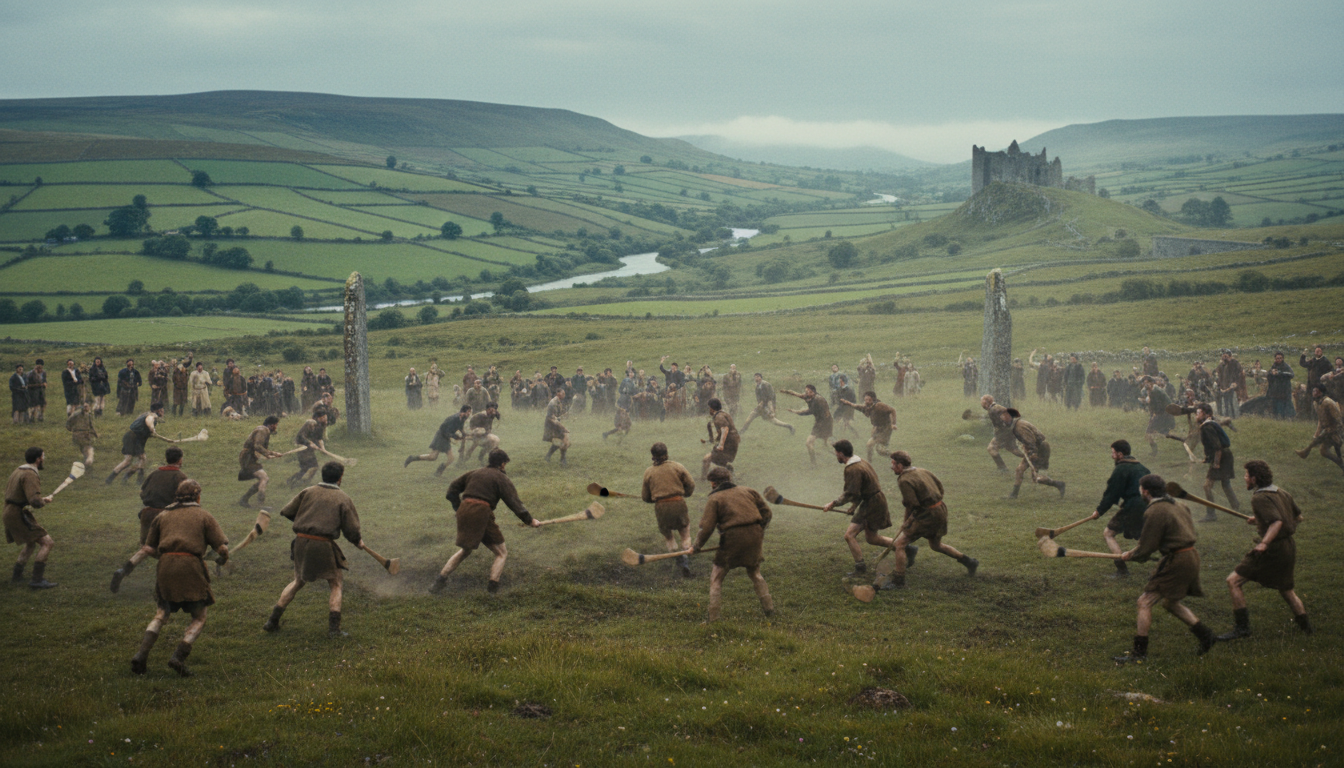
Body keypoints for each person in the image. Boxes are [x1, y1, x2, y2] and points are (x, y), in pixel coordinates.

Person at [128, 479, 228, 676]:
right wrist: (223, 557)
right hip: (191, 568)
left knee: (161, 614)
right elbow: (222, 548)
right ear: (197, 496)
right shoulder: (204, 515)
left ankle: (141, 655)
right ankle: (178, 657)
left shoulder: (162, 516)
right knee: (199, 616)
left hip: (165, 566)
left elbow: (149, 548)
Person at [1113, 474, 1217, 663]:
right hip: (1190, 556)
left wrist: (1132, 555)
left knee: (1144, 602)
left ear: (1145, 491)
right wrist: (1136, 552)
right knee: (1170, 602)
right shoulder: (1179, 505)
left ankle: (1139, 654)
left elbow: (1147, 546)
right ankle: (1206, 636)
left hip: (1177, 560)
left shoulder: (1155, 511)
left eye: (1140, 489)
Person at [262, 462, 363, 638]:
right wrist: (357, 541)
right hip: (322, 544)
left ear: (323, 475)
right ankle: (334, 630)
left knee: (297, 581)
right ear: (340, 477)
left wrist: (306, 522)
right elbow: (352, 529)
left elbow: (287, 511)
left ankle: (272, 621)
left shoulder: (308, 491)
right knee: (336, 583)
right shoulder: (343, 498)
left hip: (300, 541)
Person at [1216, 460, 1311, 642]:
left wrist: (1264, 543)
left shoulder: (1259, 498)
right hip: (1288, 547)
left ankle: (1242, 629)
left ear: (1254, 478)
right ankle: (1307, 630)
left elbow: (1277, 521)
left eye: (1246, 475)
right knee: (1286, 590)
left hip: (1272, 549)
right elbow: (1298, 517)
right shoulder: (1281, 492)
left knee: (1233, 581)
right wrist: (1260, 520)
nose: (1244, 478)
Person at [432, 449, 540, 594]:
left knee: (466, 550)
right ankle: (492, 591)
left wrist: (458, 508)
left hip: (464, 511)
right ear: (502, 464)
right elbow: (514, 503)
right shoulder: (501, 478)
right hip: (481, 513)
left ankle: (438, 582)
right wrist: (530, 521)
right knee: (501, 553)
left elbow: (451, 491)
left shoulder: (474, 472)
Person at [866, 450, 977, 591]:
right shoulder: (922, 471)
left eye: (893, 464)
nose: (892, 467)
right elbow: (940, 488)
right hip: (940, 510)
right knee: (936, 545)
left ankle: (898, 581)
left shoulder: (904, 480)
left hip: (927, 515)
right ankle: (969, 562)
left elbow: (912, 504)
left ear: (900, 465)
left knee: (900, 544)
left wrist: (906, 522)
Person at [692, 467, 774, 621]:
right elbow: (767, 513)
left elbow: (706, 528)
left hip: (732, 537)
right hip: (755, 535)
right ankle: (769, 609)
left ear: (713, 483)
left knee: (716, 577)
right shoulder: (749, 491)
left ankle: (713, 618)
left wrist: (696, 546)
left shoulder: (715, 498)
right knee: (755, 573)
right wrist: (758, 530)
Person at [110, 446, 189, 593]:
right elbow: (186, 499)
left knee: (147, 547)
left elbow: (142, 493)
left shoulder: (154, 473)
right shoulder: (180, 477)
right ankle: (169, 582)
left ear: (167, 459)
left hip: (147, 514)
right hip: (166, 516)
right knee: (173, 548)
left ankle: (123, 570)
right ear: (180, 460)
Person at [822, 440, 898, 579]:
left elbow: (851, 493)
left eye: (836, 453)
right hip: (874, 500)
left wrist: (833, 503)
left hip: (872, 503)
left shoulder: (852, 469)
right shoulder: (861, 461)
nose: (836, 455)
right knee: (871, 538)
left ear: (840, 453)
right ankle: (903, 547)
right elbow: (861, 488)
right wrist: (854, 506)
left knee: (849, 535)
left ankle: (860, 567)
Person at [1087, 440, 1150, 579]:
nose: (1112, 456)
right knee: (1147, 536)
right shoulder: (1143, 468)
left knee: (1108, 533)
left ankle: (1122, 570)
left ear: (1120, 454)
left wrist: (1099, 511)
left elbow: (1111, 494)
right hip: (1149, 506)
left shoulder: (1121, 469)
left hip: (1133, 507)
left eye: (1113, 453)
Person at [4, 447, 58, 589]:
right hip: (18, 514)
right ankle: (37, 580)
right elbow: (34, 501)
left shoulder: (19, 470)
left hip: (9, 511)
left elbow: (21, 495)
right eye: (43, 456)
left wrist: (43, 499)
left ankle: (17, 575)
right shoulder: (30, 474)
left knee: (31, 543)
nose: (44, 459)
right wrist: (41, 502)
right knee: (47, 543)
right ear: (38, 459)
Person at [641, 442, 697, 577]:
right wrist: (685, 494)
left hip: (661, 506)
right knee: (685, 532)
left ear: (653, 455)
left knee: (668, 536)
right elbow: (691, 484)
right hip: (678, 503)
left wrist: (655, 498)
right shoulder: (677, 466)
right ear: (666, 453)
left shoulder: (649, 472)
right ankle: (686, 559)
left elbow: (645, 497)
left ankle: (678, 558)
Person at [999, 408, 1065, 498]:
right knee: (1019, 470)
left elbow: (1030, 441)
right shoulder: (1016, 425)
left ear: (1010, 417)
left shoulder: (1019, 426)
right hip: (1033, 449)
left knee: (1037, 478)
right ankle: (1014, 494)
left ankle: (1059, 484)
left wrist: (1032, 454)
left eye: (1004, 417)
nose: (1002, 420)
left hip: (1040, 449)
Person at [1195, 403, 1239, 520]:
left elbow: (1217, 447)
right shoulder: (1211, 424)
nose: (1196, 416)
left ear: (1207, 414)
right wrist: (1207, 459)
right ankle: (1235, 506)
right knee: (1225, 483)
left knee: (1207, 486)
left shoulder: (1207, 427)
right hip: (1226, 455)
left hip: (1221, 456)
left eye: (1198, 413)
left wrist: (1216, 463)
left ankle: (1211, 514)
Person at [106, 402, 166, 485]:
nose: (163, 411)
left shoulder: (146, 414)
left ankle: (135, 479)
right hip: (132, 437)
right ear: (159, 410)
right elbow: (149, 421)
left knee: (142, 458)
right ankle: (110, 479)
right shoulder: (152, 415)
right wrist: (152, 430)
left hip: (137, 439)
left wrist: (150, 434)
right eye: (162, 410)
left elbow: (142, 427)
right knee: (128, 461)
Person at [406, 405, 471, 475]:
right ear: (463, 412)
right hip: (441, 437)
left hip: (445, 438)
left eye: (470, 412)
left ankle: (413, 459)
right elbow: (443, 429)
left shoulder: (462, 418)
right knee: (442, 457)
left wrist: (464, 434)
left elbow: (460, 428)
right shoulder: (454, 419)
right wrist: (455, 436)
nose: (469, 414)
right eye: (468, 412)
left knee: (438, 457)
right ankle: (437, 470)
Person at [1296, 386, 1344, 473]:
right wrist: (1317, 433)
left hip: (1336, 430)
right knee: (1323, 451)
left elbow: (1338, 419)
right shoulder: (1316, 403)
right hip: (1328, 430)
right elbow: (1321, 420)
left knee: (1320, 440)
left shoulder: (1328, 402)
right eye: (1313, 391)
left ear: (1321, 392)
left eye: (1316, 391)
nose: (1314, 393)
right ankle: (1341, 463)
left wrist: (1335, 431)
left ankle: (1306, 451)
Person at [238, 416, 282, 507]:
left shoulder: (263, 430)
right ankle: (259, 503)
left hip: (249, 457)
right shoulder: (263, 430)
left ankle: (244, 499)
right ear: (272, 425)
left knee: (263, 479)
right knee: (264, 478)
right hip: (248, 458)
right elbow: (257, 446)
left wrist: (271, 454)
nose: (276, 427)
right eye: (276, 425)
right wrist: (270, 453)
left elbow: (258, 447)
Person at [842, 390, 897, 461]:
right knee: (869, 445)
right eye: (866, 400)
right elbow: (857, 406)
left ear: (873, 399)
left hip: (886, 429)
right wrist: (848, 403)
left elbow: (892, 410)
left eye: (869, 400)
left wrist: (893, 424)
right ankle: (869, 461)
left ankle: (896, 457)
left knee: (880, 450)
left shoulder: (879, 405)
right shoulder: (867, 407)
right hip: (876, 428)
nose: (867, 401)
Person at [785, 384, 832, 465]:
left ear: (812, 392)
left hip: (823, 423)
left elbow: (808, 411)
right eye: (805, 391)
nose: (805, 393)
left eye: (807, 391)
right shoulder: (810, 396)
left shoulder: (817, 400)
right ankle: (839, 452)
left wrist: (796, 411)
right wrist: (788, 392)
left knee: (809, 443)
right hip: (824, 421)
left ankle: (814, 464)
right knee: (826, 442)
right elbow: (799, 395)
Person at [287, 408, 329, 488]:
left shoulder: (321, 425)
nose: (325, 419)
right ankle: (298, 481)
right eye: (324, 417)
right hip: (302, 447)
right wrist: (310, 443)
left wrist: (323, 449)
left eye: (326, 417)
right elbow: (301, 436)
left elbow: (319, 439)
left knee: (310, 467)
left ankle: (301, 481)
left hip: (309, 449)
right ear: (318, 418)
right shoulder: (310, 423)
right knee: (310, 467)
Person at [701, 398, 740, 480]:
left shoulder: (719, 417)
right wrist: (708, 441)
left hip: (728, 444)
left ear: (711, 408)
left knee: (706, 459)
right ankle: (729, 470)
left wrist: (721, 445)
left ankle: (703, 479)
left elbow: (725, 429)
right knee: (720, 459)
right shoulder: (724, 414)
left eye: (709, 408)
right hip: (733, 443)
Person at [979, 394, 1014, 473]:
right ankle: (1002, 468)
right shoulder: (995, 408)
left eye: (982, 403)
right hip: (1007, 432)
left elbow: (1000, 424)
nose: (982, 405)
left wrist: (1000, 436)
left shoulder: (993, 410)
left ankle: (1003, 468)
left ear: (986, 403)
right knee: (1012, 449)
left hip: (1004, 433)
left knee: (991, 448)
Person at [1142, 376, 1175, 456]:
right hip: (1164, 414)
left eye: (1147, 383)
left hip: (1164, 414)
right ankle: (1182, 439)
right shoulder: (1153, 390)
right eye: (1144, 383)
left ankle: (1154, 451)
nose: (1146, 385)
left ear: (1151, 383)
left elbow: (1159, 406)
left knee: (1149, 432)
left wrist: (1153, 415)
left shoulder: (1156, 392)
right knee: (1164, 433)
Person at [1299, 346, 1332, 417]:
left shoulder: (1325, 361)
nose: (1317, 352)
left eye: (1319, 351)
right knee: (1309, 401)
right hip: (1311, 385)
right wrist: (1303, 355)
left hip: (1320, 385)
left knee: (1319, 401)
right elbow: (1303, 364)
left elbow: (1331, 371)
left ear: (1322, 352)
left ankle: (1318, 417)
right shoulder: (1312, 361)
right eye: (1316, 351)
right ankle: (1309, 417)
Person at [543, 387, 570, 464]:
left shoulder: (557, 401)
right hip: (551, 424)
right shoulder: (553, 403)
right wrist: (563, 428)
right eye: (563, 393)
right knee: (564, 438)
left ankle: (549, 456)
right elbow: (552, 418)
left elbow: (558, 415)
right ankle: (562, 460)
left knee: (560, 440)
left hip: (554, 423)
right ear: (558, 394)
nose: (564, 395)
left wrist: (565, 415)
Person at [66, 401, 98, 467]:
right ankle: (89, 460)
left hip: (76, 435)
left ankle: (86, 459)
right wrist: (95, 434)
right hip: (85, 434)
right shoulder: (88, 415)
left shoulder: (75, 414)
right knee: (88, 447)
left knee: (82, 447)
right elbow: (91, 426)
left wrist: (71, 429)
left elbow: (68, 423)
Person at [1266, 352, 1295, 420]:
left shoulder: (1286, 366)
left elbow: (1291, 375)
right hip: (1275, 392)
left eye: (1280, 358)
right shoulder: (1274, 366)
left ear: (1283, 358)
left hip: (1284, 392)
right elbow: (1268, 375)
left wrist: (1280, 373)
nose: (1278, 360)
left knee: (1285, 408)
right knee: (1276, 409)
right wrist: (1271, 373)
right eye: (1277, 358)